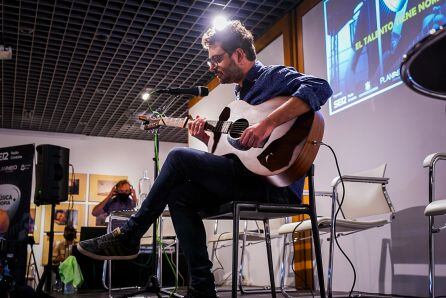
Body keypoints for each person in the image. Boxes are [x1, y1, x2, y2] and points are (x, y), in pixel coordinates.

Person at [77, 20, 332, 297]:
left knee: (177, 156)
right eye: (210, 60)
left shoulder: (272, 77)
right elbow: (236, 154)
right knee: (179, 194)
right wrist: (205, 138)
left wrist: (267, 124)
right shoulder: (239, 98)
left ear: (239, 54)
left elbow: (320, 88)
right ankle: (202, 286)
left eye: (217, 58)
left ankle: (130, 234)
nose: (211, 66)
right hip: (247, 178)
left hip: (275, 185)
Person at [52, 225, 78, 291]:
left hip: (74, 269)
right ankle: (59, 285)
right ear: (65, 233)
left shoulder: (78, 245)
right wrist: (60, 258)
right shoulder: (60, 244)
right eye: (67, 231)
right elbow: (53, 259)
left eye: (71, 231)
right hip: (63, 268)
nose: (69, 233)